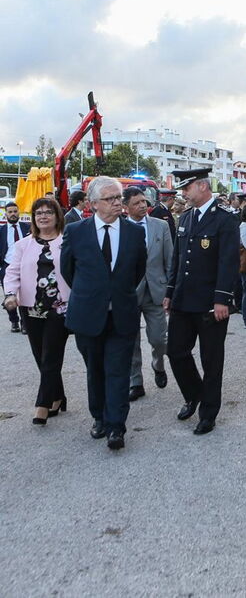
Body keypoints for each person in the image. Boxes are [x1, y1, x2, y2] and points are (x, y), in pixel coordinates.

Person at [60, 176, 147, 450]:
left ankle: (116, 426)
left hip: (122, 314)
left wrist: (115, 292)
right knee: (95, 370)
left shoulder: (134, 232)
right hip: (88, 315)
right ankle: (98, 417)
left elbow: (138, 270)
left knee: (118, 371)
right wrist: (94, 293)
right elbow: (68, 270)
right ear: (93, 203)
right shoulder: (76, 232)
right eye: (110, 199)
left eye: (118, 198)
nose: (117, 203)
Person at [163, 168, 239, 436]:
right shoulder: (185, 217)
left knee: (211, 361)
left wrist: (222, 299)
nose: (183, 193)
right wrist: (169, 291)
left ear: (202, 187)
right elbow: (178, 258)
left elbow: (228, 262)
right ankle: (194, 394)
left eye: (187, 188)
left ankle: (208, 413)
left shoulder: (225, 219)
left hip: (210, 303)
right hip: (183, 299)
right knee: (175, 352)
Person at [2, 198, 71, 425]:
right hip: (30, 307)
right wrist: (10, 294)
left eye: (48, 212)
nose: (43, 216)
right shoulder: (23, 245)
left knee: (51, 354)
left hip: (59, 307)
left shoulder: (67, 242)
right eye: (38, 213)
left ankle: (43, 403)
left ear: (57, 216)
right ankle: (58, 396)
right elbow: (12, 272)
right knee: (40, 355)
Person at [123, 186, 173, 402]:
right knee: (130, 341)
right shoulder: (119, 228)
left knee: (159, 338)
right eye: (137, 203)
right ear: (125, 207)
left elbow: (170, 259)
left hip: (156, 292)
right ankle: (135, 382)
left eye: (144, 201)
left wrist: (170, 290)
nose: (143, 206)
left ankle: (158, 364)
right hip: (129, 294)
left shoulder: (160, 226)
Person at [1, 201, 31, 333]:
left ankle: (25, 323)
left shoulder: (27, 228)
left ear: (19, 212)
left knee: (24, 295)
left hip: (25, 266)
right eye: (10, 212)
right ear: (6, 214)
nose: (13, 214)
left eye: (15, 211)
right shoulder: (1, 231)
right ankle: (14, 321)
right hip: (7, 266)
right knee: (9, 295)